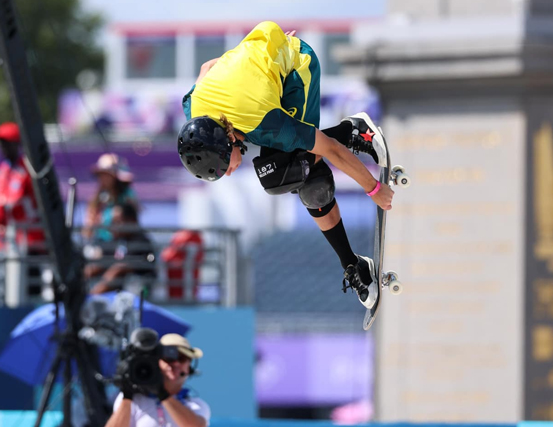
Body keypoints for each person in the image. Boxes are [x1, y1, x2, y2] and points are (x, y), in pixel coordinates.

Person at [176, 21, 394, 309]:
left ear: (227, 142)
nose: (228, 172)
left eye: (222, 168)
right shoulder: (193, 109)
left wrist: (374, 188)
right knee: (291, 173)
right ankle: (354, 264)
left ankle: (355, 131)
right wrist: (258, 54)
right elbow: (208, 67)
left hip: (295, 70)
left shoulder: (264, 123)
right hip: (261, 86)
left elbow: (330, 150)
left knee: (297, 176)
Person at [103, 333, 211, 427]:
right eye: (169, 358)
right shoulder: (133, 401)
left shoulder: (195, 405)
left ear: (189, 367)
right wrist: (127, 396)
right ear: (157, 362)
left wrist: (163, 394)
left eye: (182, 358)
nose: (175, 364)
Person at [87, 203, 156, 295]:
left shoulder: (141, 241)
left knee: (119, 268)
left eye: (118, 221)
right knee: (94, 268)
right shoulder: (119, 240)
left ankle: (90, 297)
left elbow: (123, 267)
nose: (113, 226)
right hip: (119, 291)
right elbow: (105, 260)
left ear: (132, 220)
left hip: (138, 289)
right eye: (113, 222)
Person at [83, 153, 138, 243]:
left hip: (123, 244)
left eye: (107, 175)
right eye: (101, 175)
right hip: (100, 244)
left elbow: (133, 224)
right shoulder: (96, 199)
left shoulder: (127, 196)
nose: (103, 178)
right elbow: (88, 229)